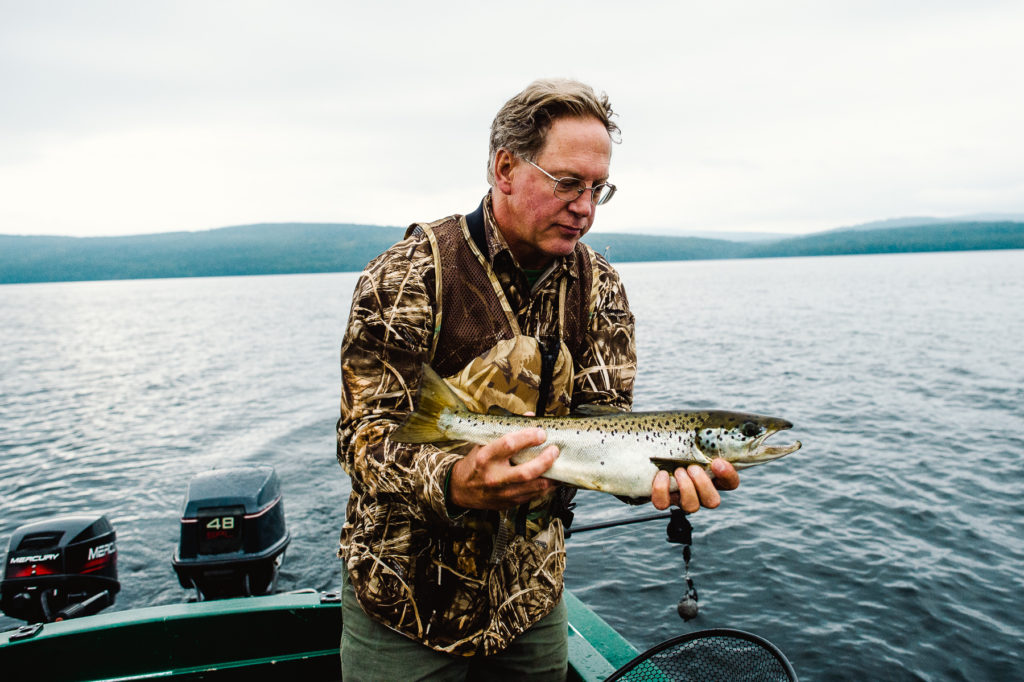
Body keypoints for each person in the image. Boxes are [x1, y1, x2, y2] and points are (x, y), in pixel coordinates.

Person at [335, 78, 740, 681]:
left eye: (599, 188)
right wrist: (454, 481)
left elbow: (607, 431)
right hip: (403, 602)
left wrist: (655, 480)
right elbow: (361, 438)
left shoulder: (600, 288)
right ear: (504, 167)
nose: (586, 206)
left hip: (531, 600)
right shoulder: (408, 275)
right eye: (568, 183)